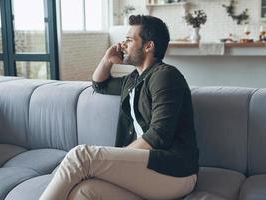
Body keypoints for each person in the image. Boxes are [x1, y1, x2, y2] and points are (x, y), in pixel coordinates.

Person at [40, 15, 199, 200]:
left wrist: (115, 159)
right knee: (83, 192)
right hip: (147, 171)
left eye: (130, 39)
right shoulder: (133, 80)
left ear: (148, 46)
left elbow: (159, 135)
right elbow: (100, 84)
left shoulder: (165, 76)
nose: (123, 44)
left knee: (81, 156)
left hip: (174, 171)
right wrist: (107, 60)